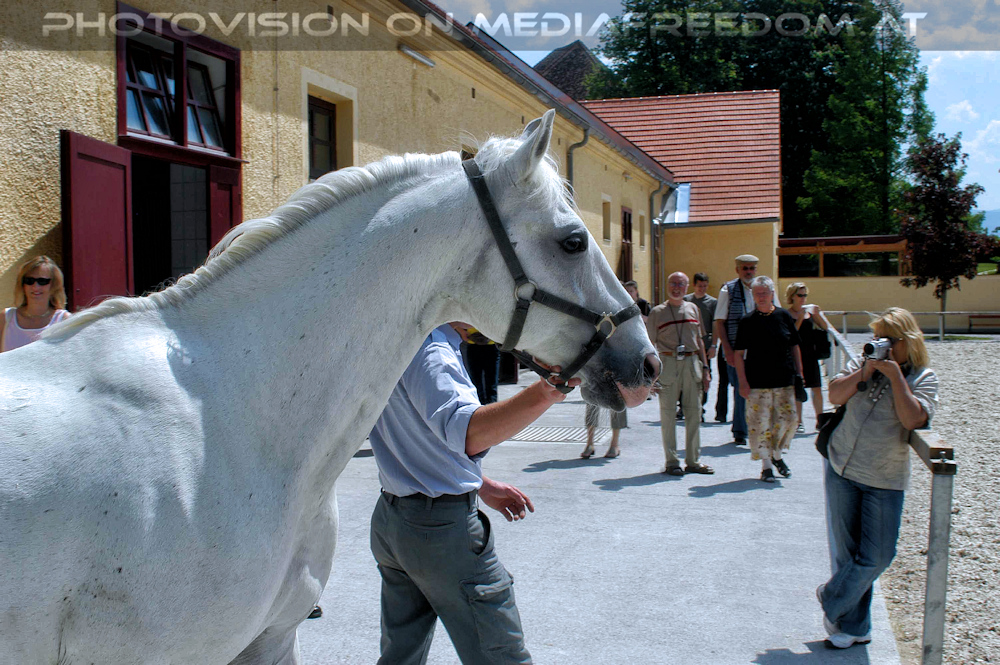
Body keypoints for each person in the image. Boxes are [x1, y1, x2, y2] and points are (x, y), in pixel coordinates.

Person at [368, 322, 579, 664]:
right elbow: (468, 432)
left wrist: (480, 484)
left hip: (394, 520)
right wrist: (545, 392)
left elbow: (421, 435)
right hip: (440, 531)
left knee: (401, 654)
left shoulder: (403, 338)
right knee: (502, 656)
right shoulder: (433, 350)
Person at [817, 308, 938, 649]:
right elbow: (835, 395)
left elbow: (913, 419)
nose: (879, 344)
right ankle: (854, 627)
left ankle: (830, 596)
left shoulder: (924, 377)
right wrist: (866, 370)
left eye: (888, 339)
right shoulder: (863, 363)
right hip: (842, 467)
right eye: (876, 337)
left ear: (907, 341)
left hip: (884, 477)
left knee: (878, 556)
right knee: (848, 555)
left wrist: (896, 376)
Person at [732, 276, 803, 483]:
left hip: (785, 380)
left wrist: (800, 373)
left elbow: (795, 346)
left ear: (772, 294)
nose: (761, 297)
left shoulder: (783, 316)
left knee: (789, 420)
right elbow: (739, 354)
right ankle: (767, 466)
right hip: (757, 382)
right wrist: (742, 382)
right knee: (760, 424)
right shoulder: (747, 321)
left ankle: (777, 454)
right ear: (753, 296)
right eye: (757, 293)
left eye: (764, 293)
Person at [646, 272, 713, 476]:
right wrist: (650, 377)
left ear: (687, 287)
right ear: (668, 286)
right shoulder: (657, 312)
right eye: (673, 283)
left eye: (681, 284)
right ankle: (672, 462)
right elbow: (649, 346)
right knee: (668, 415)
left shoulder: (693, 308)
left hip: (692, 363)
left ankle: (693, 461)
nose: (677, 287)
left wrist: (706, 368)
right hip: (668, 363)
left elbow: (700, 340)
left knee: (694, 413)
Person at [713, 254, 777, 444]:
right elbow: (720, 322)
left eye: (751, 268)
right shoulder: (728, 290)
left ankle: (759, 428)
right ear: (737, 270)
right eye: (745, 268)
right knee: (741, 390)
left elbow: (776, 314)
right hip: (737, 349)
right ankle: (740, 430)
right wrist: (727, 350)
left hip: (762, 350)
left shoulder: (765, 288)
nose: (748, 272)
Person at [785, 282, 831, 432]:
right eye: (800, 295)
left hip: (811, 355)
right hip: (795, 355)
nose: (803, 298)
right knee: (798, 388)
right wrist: (799, 318)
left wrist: (817, 314)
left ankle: (820, 420)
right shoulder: (787, 314)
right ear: (792, 296)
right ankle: (798, 422)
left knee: (816, 388)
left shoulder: (809, 314)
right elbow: (791, 334)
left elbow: (825, 327)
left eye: (805, 295)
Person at [1, 255, 71, 353]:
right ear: (23, 285)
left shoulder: (63, 320)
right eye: (29, 281)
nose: (35, 287)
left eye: (42, 281)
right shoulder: (6, 317)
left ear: (54, 285)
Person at [684, 272, 717, 423]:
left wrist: (714, 345)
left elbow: (715, 325)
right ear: (694, 285)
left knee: (704, 376)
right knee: (686, 376)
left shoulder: (712, 303)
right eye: (699, 286)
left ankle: (700, 407)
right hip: (688, 344)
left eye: (705, 286)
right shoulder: (686, 300)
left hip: (705, 343)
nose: (702, 289)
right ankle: (683, 406)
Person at [463, 326, 501, 404]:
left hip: (491, 345)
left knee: (491, 381)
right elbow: (455, 323)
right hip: (473, 344)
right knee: (476, 380)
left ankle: (492, 406)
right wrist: (462, 332)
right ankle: (479, 405)